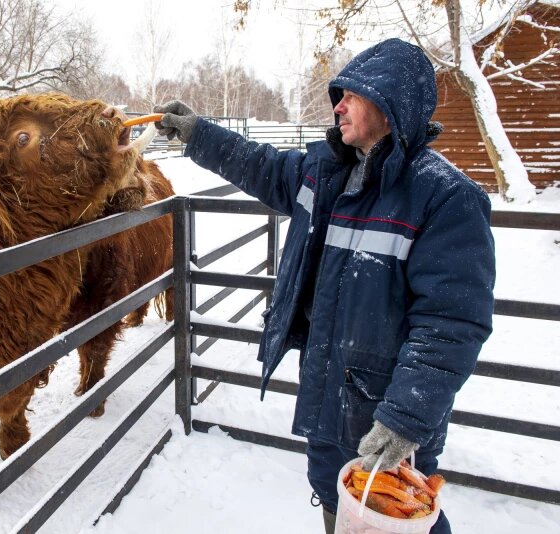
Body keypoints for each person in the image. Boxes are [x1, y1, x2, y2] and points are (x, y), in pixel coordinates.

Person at [153, 38, 495, 534]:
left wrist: (403, 419)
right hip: (327, 395)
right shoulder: (328, 172)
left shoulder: (445, 199)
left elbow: (451, 325)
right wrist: (198, 134)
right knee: (338, 504)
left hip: (383, 415)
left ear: (391, 103)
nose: (338, 105)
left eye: (352, 94)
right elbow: (261, 166)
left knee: (395, 516)